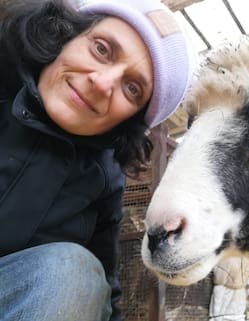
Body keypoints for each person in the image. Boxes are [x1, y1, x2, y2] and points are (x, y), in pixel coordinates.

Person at [0, 0, 196, 320]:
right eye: (102, 49)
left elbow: (101, 284)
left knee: (73, 271)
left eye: (131, 88)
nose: (102, 83)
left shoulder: (105, 182)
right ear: (66, 35)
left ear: (130, 119)